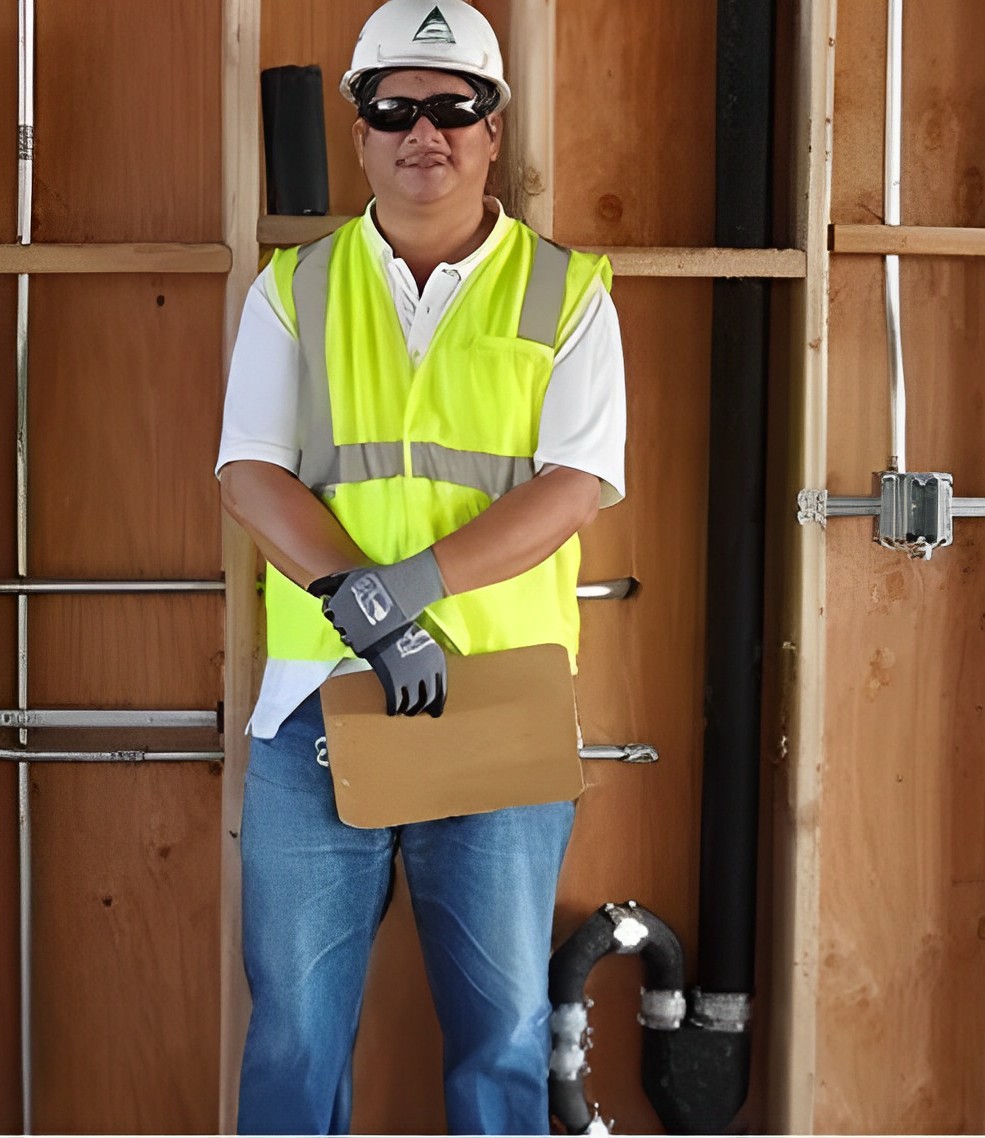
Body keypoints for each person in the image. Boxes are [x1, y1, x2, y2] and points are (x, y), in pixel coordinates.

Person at [215, 0, 626, 1131]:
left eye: (453, 108)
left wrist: (409, 596)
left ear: (493, 130)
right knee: (294, 1035)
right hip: (314, 708)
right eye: (393, 107)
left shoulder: (567, 294)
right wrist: (372, 618)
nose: (423, 132)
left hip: (495, 709)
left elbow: (568, 490)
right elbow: (251, 475)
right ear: (357, 130)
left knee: (498, 1043)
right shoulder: (293, 290)